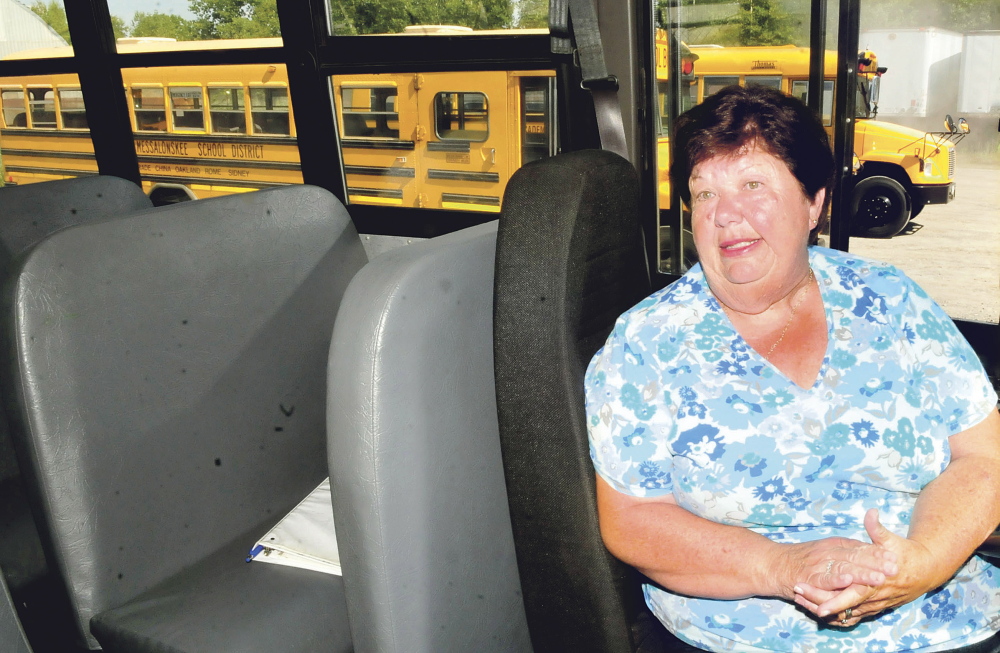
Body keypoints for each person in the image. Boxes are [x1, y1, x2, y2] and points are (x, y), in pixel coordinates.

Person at [585, 84, 1000, 652]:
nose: (726, 214)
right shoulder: (645, 345)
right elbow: (633, 518)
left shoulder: (890, 300)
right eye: (704, 194)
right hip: (747, 639)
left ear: (814, 203)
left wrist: (923, 562)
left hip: (941, 623)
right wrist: (782, 567)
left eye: (754, 184)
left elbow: (983, 456)